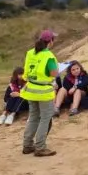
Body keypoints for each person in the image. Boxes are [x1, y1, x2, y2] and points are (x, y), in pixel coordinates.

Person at [21, 29, 60, 157]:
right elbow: (54, 73)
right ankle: (40, 147)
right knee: (45, 119)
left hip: (31, 89)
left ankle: (27, 145)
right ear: (50, 42)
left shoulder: (30, 53)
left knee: (33, 117)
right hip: (43, 91)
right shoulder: (48, 56)